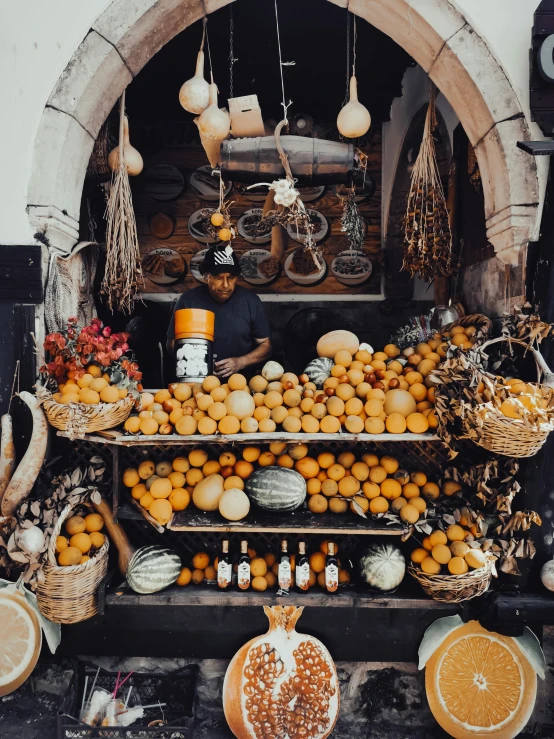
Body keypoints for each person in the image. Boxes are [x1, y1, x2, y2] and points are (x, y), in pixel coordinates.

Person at [167, 246, 272, 379]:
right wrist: (200, 362)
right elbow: (171, 345)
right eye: (218, 278)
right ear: (206, 276)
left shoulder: (251, 301)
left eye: (231, 277)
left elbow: (266, 345)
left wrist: (241, 362)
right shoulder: (188, 301)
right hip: (198, 382)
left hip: (241, 385)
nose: (226, 285)